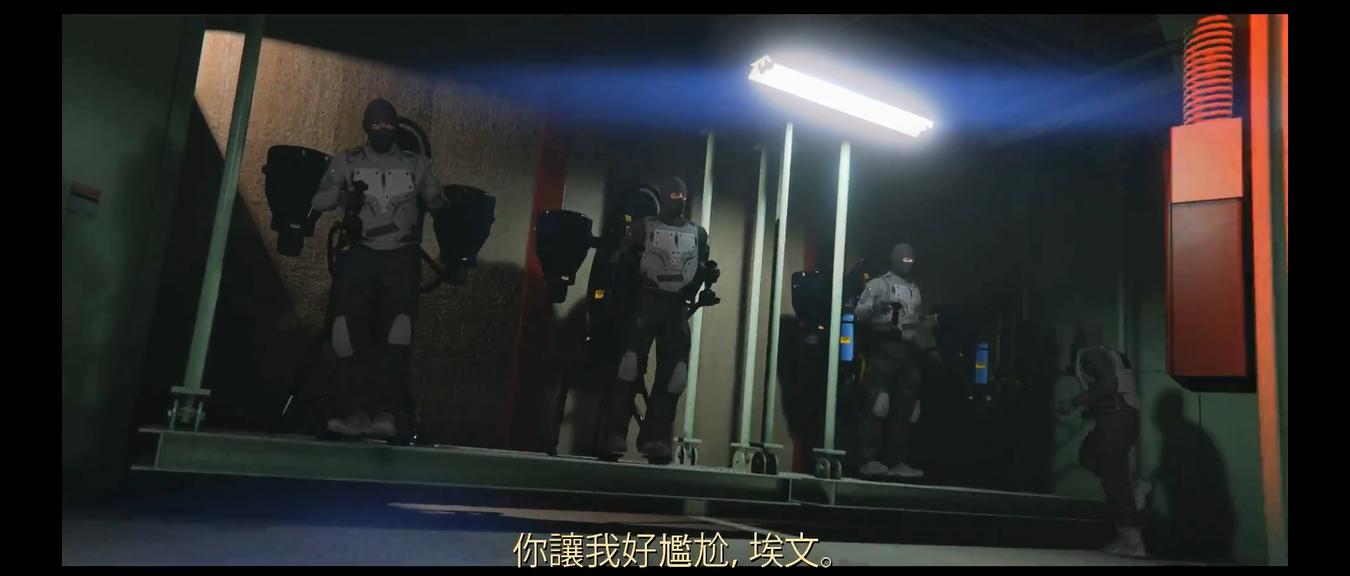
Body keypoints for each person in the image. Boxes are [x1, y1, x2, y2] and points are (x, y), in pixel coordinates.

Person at [311, 98, 448, 439]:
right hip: (359, 254)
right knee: (346, 333)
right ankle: (356, 413)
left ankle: (386, 414)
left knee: (397, 334)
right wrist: (345, 198)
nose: (383, 130)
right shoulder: (347, 160)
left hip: (401, 257)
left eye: (388, 124)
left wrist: (449, 210)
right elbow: (319, 199)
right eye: (376, 124)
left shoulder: (417, 164)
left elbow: (437, 201)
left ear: (396, 126)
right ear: (366, 126)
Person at [602, 176, 717, 464]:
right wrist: (629, 265)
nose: (679, 199)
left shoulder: (697, 233)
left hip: (675, 307)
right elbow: (617, 263)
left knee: (676, 375)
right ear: (663, 197)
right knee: (628, 367)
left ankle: (656, 436)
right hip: (645, 303)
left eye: (682, 195)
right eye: (674, 195)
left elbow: (700, 268)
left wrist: (706, 276)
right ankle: (614, 432)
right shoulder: (644, 228)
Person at [1056, 320, 1148, 558]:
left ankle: (1132, 542)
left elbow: (1108, 385)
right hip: (1123, 418)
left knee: (1112, 477)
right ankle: (1130, 494)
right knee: (1090, 456)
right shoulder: (1113, 354)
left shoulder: (1091, 355)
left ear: (1081, 335)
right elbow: (1118, 387)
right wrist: (1092, 408)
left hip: (1114, 420)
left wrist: (1073, 402)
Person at [851, 243, 939, 480]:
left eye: (910, 259)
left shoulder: (914, 289)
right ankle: (866, 459)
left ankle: (895, 460)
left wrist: (928, 322)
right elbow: (859, 313)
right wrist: (878, 306)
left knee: (907, 407)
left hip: (906, 351)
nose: (907, 262)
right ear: (893, 258)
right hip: (883, 348)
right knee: (878, 404)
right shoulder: (879, 285)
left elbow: (914, 318)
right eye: (903, 258)